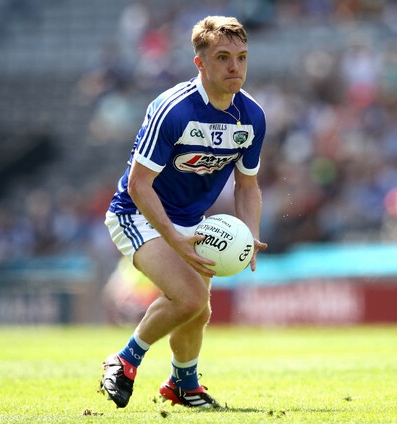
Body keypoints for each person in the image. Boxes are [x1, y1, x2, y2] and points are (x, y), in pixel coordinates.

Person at [98, 16, 267, 408]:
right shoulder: (172, 109)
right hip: (138, 213)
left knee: (197, 310)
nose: (235, 67)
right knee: (190, 298)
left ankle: (183, 386)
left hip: (192, 220)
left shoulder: (252, 116)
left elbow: (247, 185)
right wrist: (173, 237)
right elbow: (139, 185)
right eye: (223, 57)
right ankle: (124, 360)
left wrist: (251, 233)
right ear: (200, 63)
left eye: (242, 57)